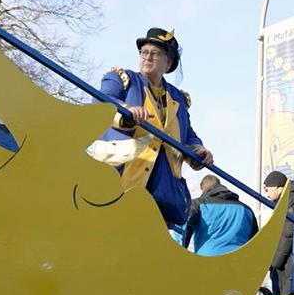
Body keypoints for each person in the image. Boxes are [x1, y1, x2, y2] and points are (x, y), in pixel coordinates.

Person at [90, 27, 211, 228]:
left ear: (169, 62)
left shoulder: (178, 97)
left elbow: (188, 134)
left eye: (154, 53)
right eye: (144, 52)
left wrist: (199, 151)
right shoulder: (122, 79)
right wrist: (128, 110)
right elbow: (102, 103)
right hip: (120, 177)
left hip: (162, 188)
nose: (147, 57)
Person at [180, 174, 257, 256]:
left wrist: (178, 254)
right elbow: (256, 242)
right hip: (240, 261)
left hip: (208, 261)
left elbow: (184, 231)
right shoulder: (246, 210)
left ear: (203, 189)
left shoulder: (198, 204)